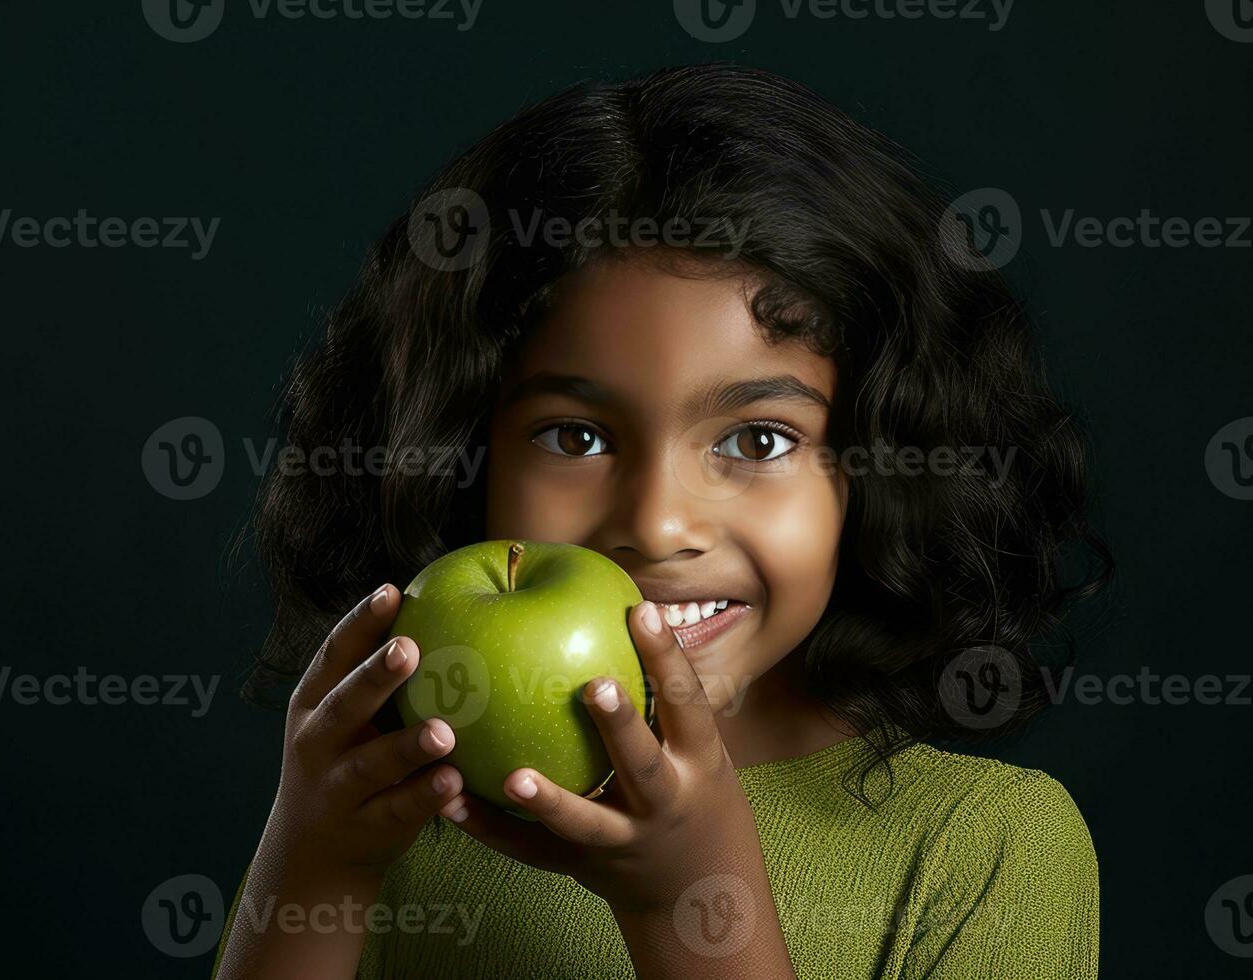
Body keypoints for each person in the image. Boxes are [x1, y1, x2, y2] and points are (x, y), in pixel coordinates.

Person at [213, 63, 1112, 979]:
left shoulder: (987, 849)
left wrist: (689, 906)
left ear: (884, 467)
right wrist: (317, 855)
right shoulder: (402, 809)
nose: (656, 522)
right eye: (575, 435)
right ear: (462, 454)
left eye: (758, 441)